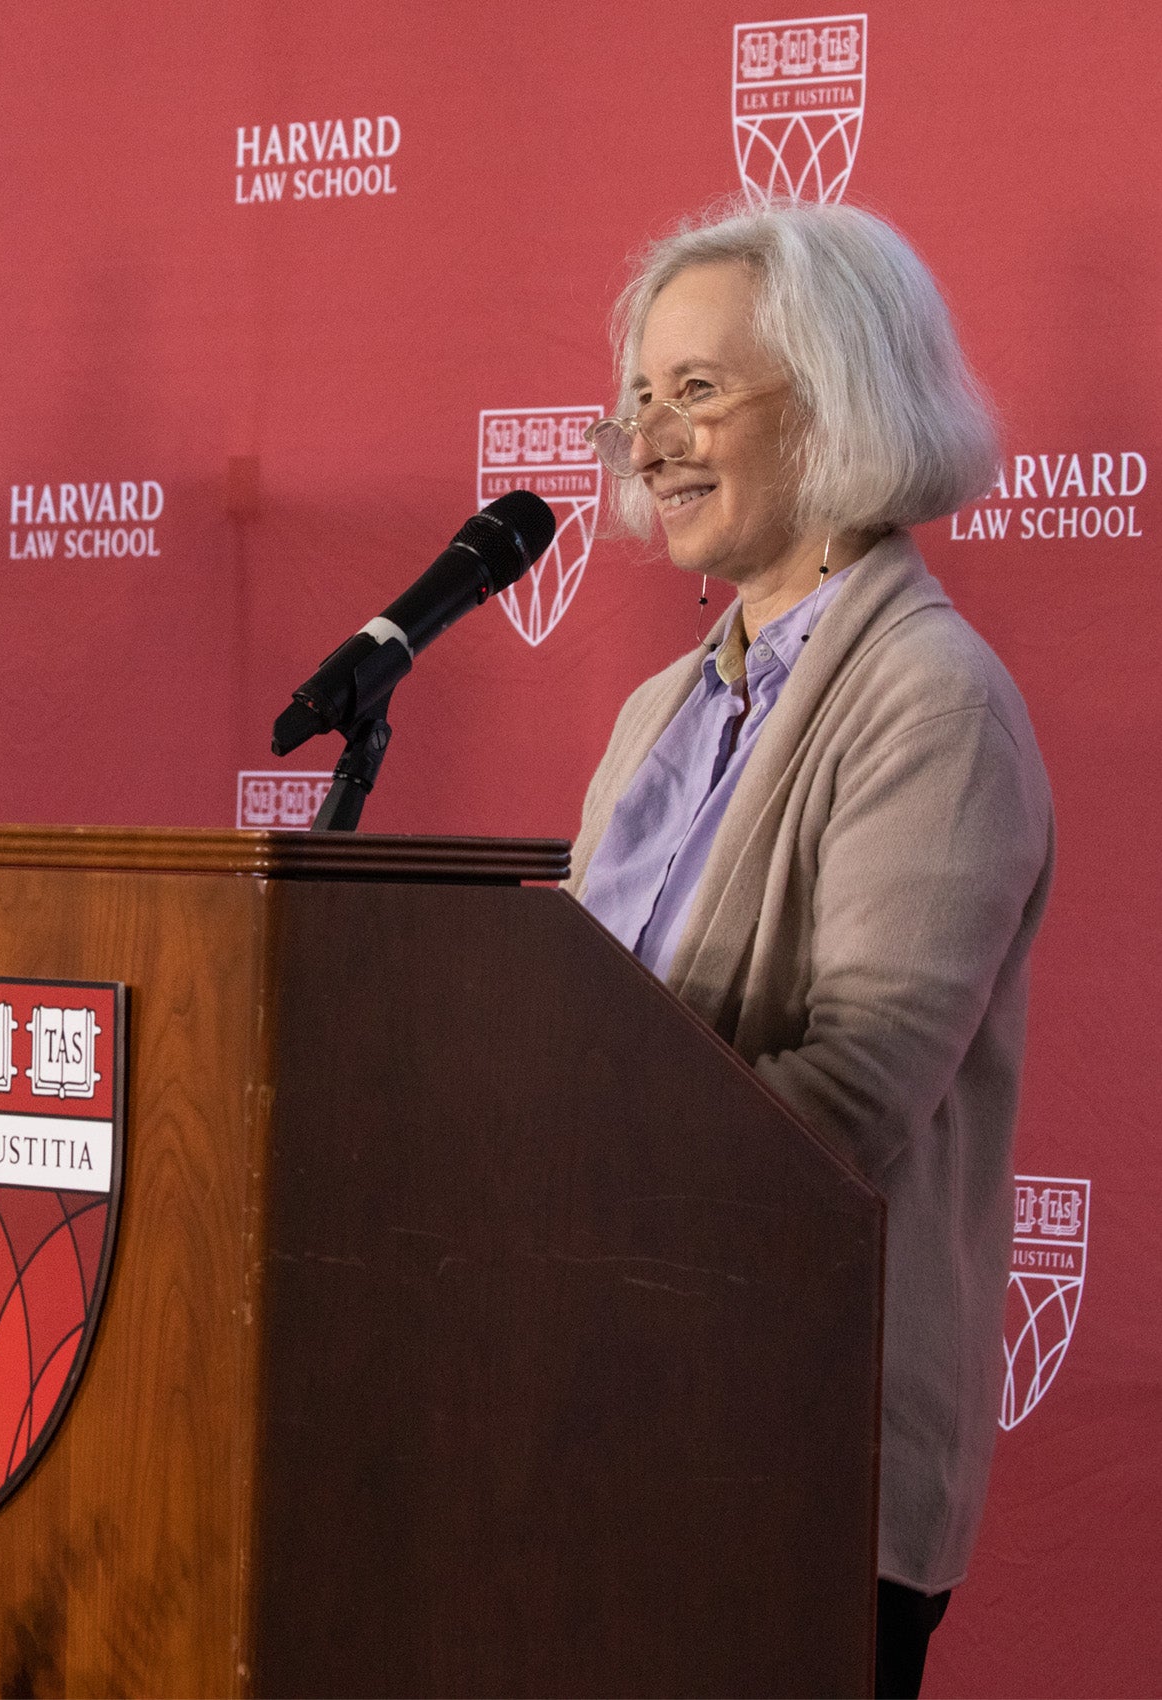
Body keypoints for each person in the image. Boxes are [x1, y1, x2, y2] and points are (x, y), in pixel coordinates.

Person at [567, 199, 1054, 1698]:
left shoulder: (930, 702)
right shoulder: (663, 710)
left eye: (697, 390)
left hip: (789, 1449)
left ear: (842, 397)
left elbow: (844, 1098)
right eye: (638, 397)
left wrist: (554, 1165)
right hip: (588, 1414)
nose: (647, 438)